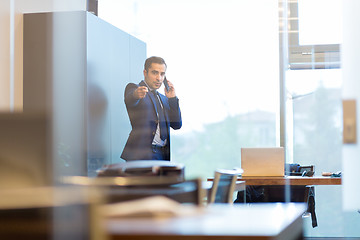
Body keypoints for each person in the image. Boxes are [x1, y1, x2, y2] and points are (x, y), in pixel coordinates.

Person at [121, 56, 182, 161]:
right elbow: (131, 99)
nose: (159, 78)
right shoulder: (135, 88)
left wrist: (172, 99)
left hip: (162, 155)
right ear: (145, 73)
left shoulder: (164, 99)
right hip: (141, 155)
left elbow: (177, 125)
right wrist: (136, 94)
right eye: (155, 73)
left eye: (162, 74)